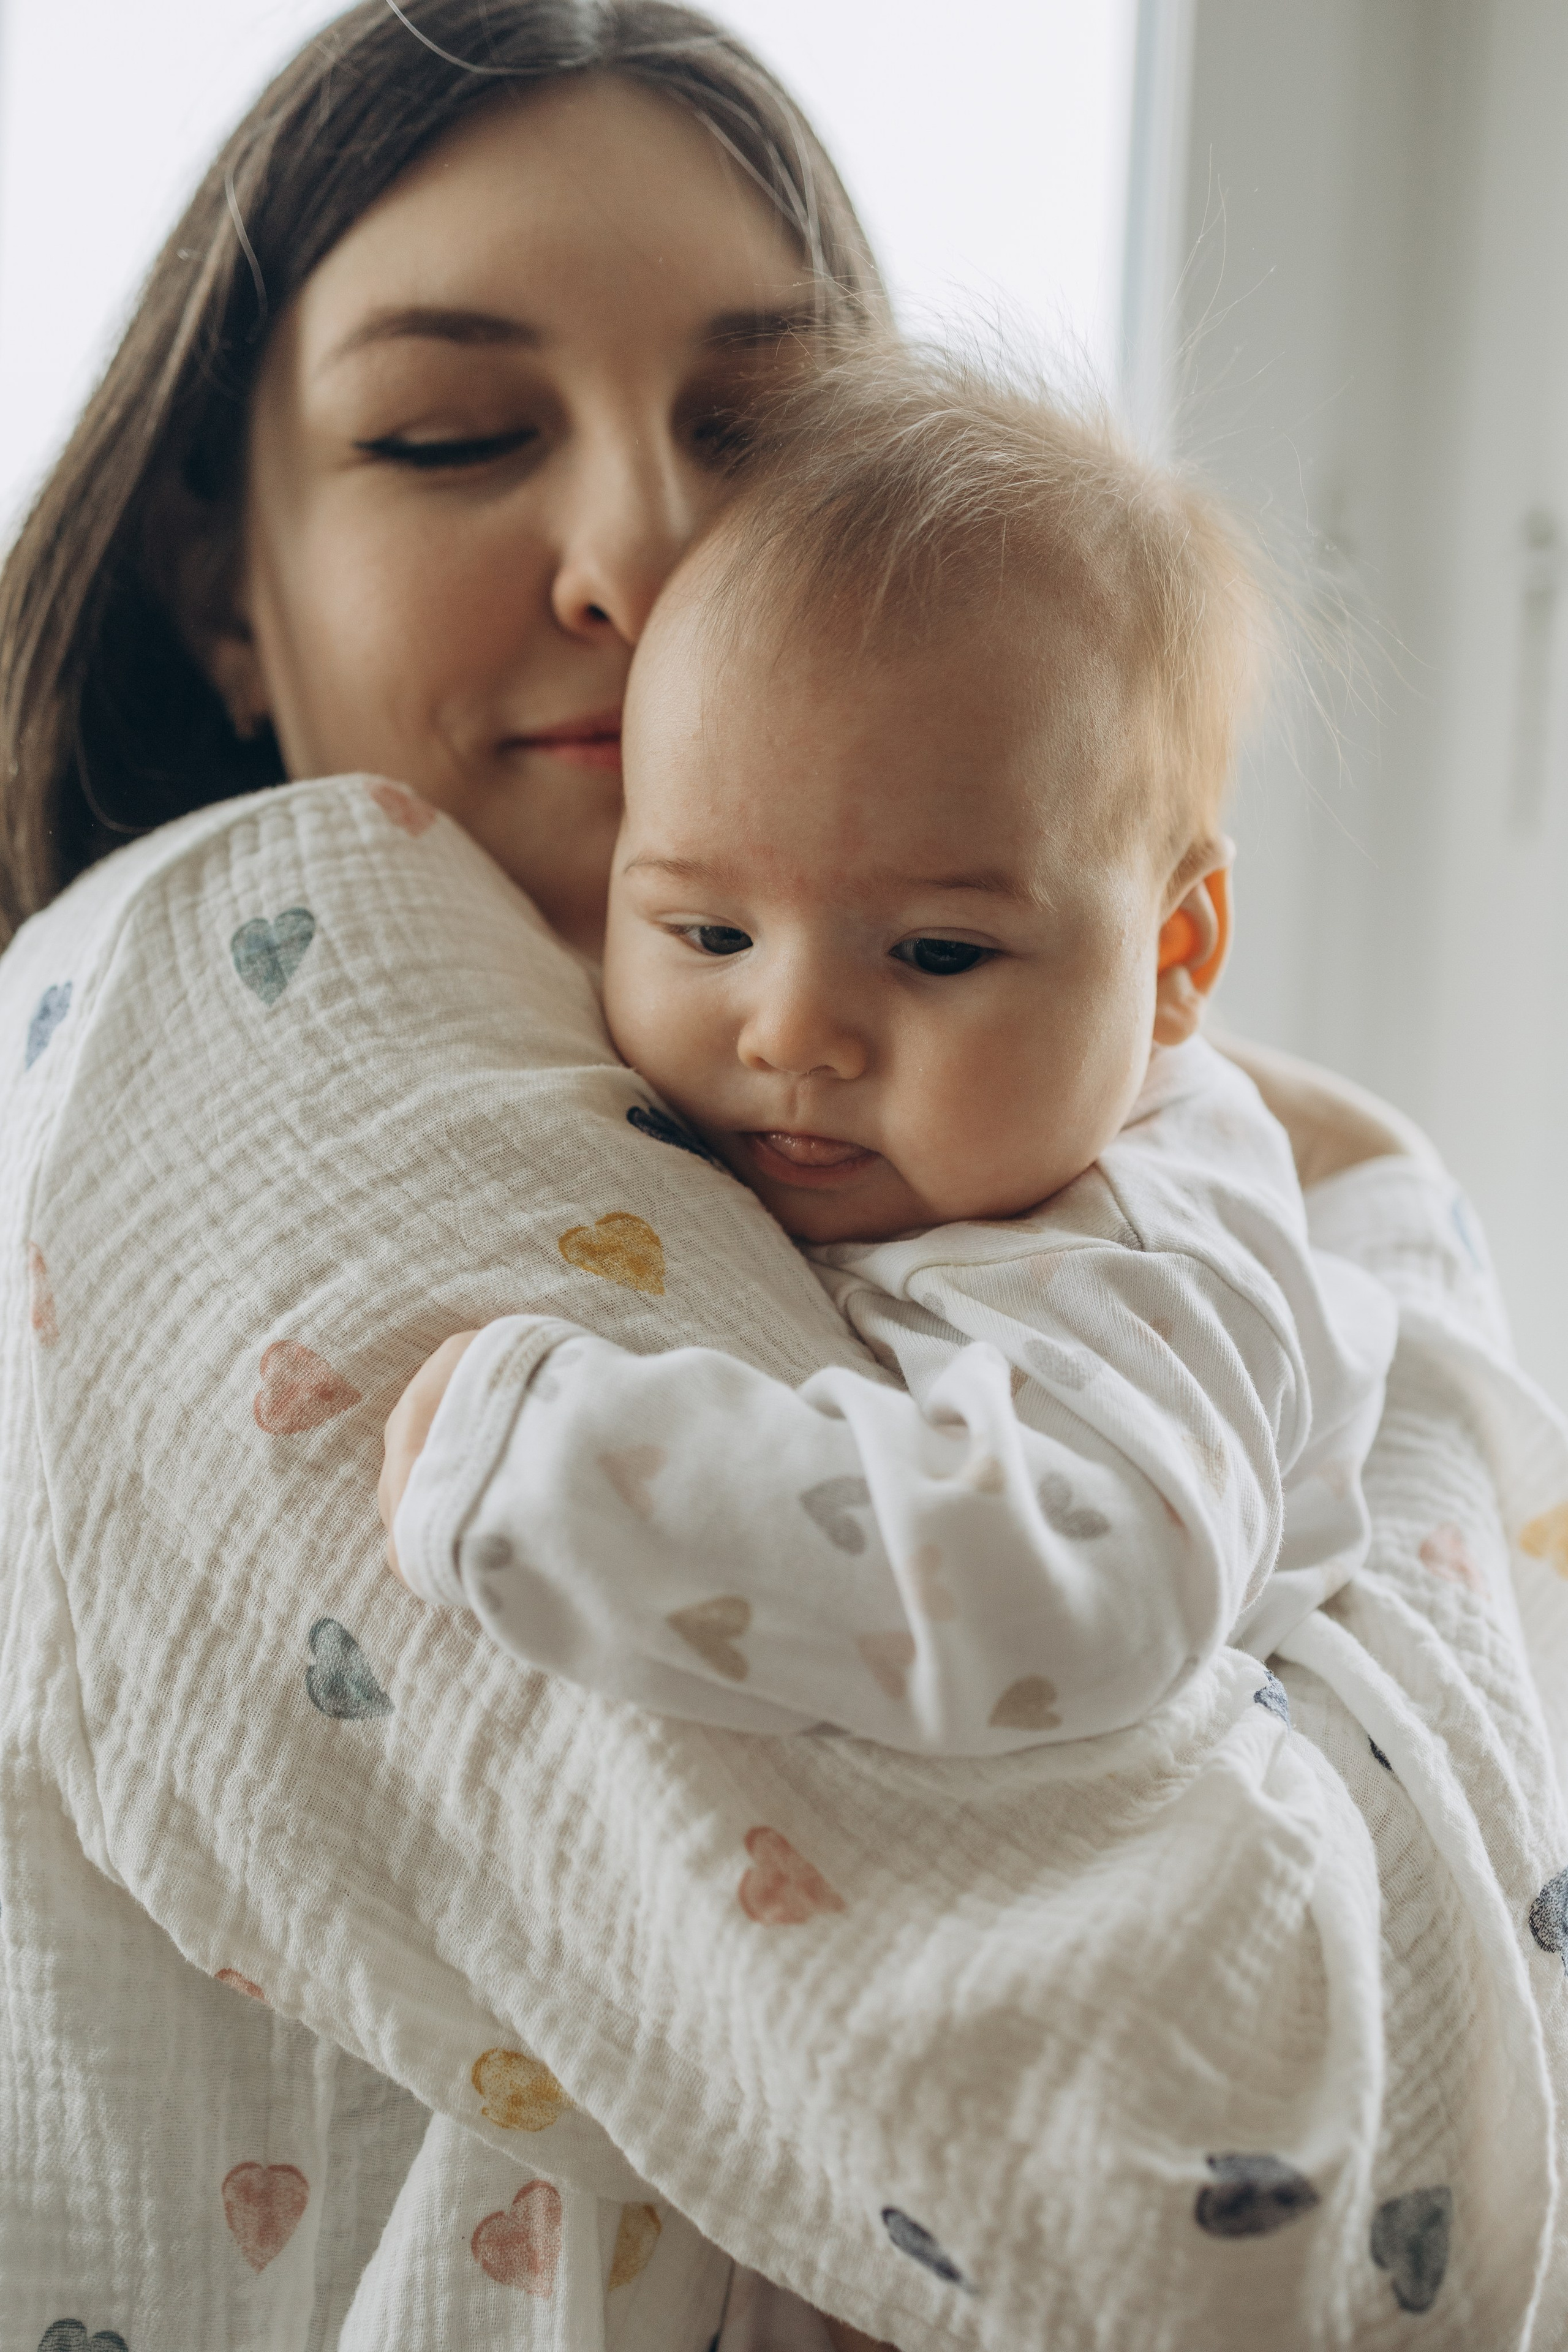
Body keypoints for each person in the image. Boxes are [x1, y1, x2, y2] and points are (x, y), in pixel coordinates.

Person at [4, 4, 1564, 2347]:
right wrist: (1397, 1281)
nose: (639, 543)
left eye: (758, 430)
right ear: (229, 585)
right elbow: (1247, 2167)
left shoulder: (881, 1162)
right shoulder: (248, 976)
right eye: (450, 434)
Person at [383, 348, 1400, 1756]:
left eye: (935, 954)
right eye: (706, 932)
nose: (791, 1031)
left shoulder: (1143, 1254)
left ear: (1173, 955)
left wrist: (552, 1465)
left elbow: (1087, 1602)